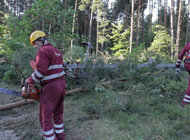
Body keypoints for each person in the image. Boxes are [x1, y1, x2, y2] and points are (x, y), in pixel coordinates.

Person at [27, 30, 66, 140]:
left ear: (41, 40)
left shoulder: (43, 51)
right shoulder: (57, 51)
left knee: (45, 118)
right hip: (62, 85)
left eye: (35, 43)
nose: (35, 46)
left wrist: (29, 80)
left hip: (51, 88)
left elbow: (40, 72)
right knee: (58, 114)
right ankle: (61, 137)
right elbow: (52, 70)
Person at [176, 42, 190, 107]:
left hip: (187, 64)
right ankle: (184, 103)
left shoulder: (187, 45)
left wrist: (177, 67)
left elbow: (180, 56)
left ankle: (186, 101)